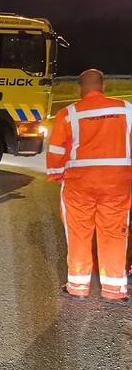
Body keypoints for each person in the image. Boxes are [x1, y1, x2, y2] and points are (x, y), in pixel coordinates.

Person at [47, 69, 131, 303]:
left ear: (80, 89)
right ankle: (114, 290)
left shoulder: (68, 114)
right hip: (116, 183)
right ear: (103, 86)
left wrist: (56, 174)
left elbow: (56, 149)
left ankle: (78, 287)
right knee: (114, 233)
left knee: (78, 232)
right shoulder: (126, 110)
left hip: (79, 184)